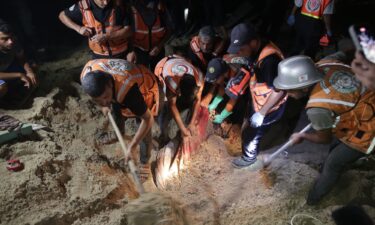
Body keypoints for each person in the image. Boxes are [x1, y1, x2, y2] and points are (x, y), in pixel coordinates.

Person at [273, 55, 375, 205]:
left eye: (290, 91)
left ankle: (313, 200)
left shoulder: (317, 108)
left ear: (305, 86)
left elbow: (324, 139)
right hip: (368, 95)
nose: (288, 95)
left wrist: (303, 136)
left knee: (333, 164)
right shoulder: (325, 63)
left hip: (369, 127)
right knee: (337, 147)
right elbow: (342, 52)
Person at [226, 23, 287, 168]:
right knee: (248, 125)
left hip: (269, 107)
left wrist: (261, 113)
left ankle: (249, 158)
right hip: (258, 100)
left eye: (241, 49)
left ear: (253, 42)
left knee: (250, 135)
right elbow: (251, 61)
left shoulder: (269, 62)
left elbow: (280, 90)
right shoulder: (258, 49)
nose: (239, 53)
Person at [80, 58, 162, 164]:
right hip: (119, 90)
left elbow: (148, 119)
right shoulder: (87, 73)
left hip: (145, 88)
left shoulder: (128, 90)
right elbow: (102, 98)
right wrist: (103, 105)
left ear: (110, 84)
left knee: (143, 132)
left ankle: (144, 161)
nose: (104, 102)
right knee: (114, 108)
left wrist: (132, 145)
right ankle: (119, 133)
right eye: (98, 100)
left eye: (105, 97)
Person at [154, 54, 204, 143]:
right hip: (162, 67)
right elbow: (172, 105)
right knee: (164, 106)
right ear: (178, 91)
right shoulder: (170, 81)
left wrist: (192, 123)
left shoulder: (199, 78)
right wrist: (183, 129)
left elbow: (198, 100)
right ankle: (163, 136)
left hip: (179, 61)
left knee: (188, 103)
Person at [59, 0, 132, 59]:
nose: (106, 2)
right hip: (98, 57)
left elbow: (129, 31)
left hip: (123, 54)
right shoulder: (83, 6)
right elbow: (62, 15)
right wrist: (79, 28)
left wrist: (108, 36)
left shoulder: (119, 5)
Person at [0, 21, 37, 106]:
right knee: (1, 87)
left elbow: (21, 58)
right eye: (5, 39)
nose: (10, 42)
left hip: (8, 68)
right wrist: (19, 75)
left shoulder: (14, 41)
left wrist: (29, 71)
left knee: (33, 67)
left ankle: (15, 96)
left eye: (11, 37)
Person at [127, 0, 172, 69]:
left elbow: (169, 30)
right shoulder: (132, 8)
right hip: (138, 51)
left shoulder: (161, 7)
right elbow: (127, 33)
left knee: (157, 74)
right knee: (141, 76)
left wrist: (159, 46)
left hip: (157, 51)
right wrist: (131, 50)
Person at [202, 58, 248, 124]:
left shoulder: (238, 79)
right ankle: (215, 103)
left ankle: (222, 116)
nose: (214, 83)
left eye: (215, 80)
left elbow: (233, 99)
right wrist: (214, 104)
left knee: (232, 93)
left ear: (223, 74)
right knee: (223, 83)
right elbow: (222, 84)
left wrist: (221, 116)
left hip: (241, 77)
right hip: (229, 72)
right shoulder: (222, 64)